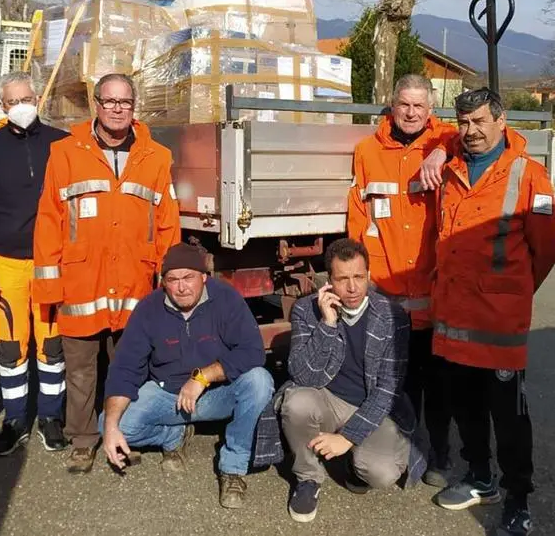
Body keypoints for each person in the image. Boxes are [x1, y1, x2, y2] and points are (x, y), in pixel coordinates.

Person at [33, 73, 181, 474]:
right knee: (81, 369)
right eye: (110, 101)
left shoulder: (157, 157)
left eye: (125, 102)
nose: (117, 108)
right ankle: (82, 440)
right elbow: (48, 220)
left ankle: (130, 431)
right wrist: (48, 286)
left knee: (134, 365)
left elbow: (168, 224)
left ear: (135, 108)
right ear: (96, 104)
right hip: (82, 284)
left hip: (135, 282)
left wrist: (169, 281)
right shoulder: (64, 153)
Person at [431, 89, 555, 536]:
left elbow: (545, 249)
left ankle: (517, 497)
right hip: (454, 319)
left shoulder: (529, 175)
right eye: (463, 123)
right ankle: (479, 478)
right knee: (464, 406)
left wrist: (514, 291)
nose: (471, 131)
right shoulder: (451, 170)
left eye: (480, 121)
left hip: (498, 322)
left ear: (501, 122)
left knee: (509, 417)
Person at [100, 243, 273, 509]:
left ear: (204, 277)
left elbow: (253, 352)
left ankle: (233, 468)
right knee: (108, 425)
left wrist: (203, 377)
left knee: (260, 381)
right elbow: (125, 368)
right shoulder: (148, 310)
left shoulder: (226, 299)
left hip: (217, 393)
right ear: (163, 282)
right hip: (168, 394)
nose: (181, 287)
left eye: (189, 277)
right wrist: (112, 427)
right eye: (173, 279)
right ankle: (174, 436)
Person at [347, 73, 456, 486]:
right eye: (404, 105)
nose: (411, 113)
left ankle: (441, 456)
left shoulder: (449, 142)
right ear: (391, 105)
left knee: (439, 382)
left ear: (431, 110)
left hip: (434, 291)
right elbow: (357, 218)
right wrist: (358, 277)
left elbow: (503, 138)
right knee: (393, 381)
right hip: (388, 290)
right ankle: (400, 452)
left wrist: (442, 151)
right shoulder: (367, 151)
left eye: (419, 106)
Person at [270, 239, 426, 523]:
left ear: (368, 275)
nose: (352, 287)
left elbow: (388, 390)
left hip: (375, 407)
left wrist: (347, 437)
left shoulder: (393, 316)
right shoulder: (307, 310)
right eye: (342, 279)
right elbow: (303, 376)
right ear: (328, 281)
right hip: (328, 399)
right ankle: (308, 478)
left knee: (381, 473)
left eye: (358, 277)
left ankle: (356, 462)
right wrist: (327, 325)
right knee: (296, 402)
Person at [0, 72, 69, 456]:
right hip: (3, 263)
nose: (20, 106)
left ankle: (51, 417)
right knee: (11, 347)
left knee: (51, 345)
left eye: (26, 98)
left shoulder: (62, 144)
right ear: (2, 106)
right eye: (11, 101)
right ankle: (16, 419)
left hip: (51, 262)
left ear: (37, 99)